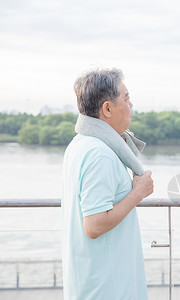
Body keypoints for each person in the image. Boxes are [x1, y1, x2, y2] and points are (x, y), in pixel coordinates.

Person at [62, 68, 153, 300]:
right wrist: (138, 192)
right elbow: (94, 225)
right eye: (126, 98)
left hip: (92, 280)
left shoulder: (80, 144)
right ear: (107, 108)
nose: (131, 105)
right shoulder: (99, 154)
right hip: (107, 287)